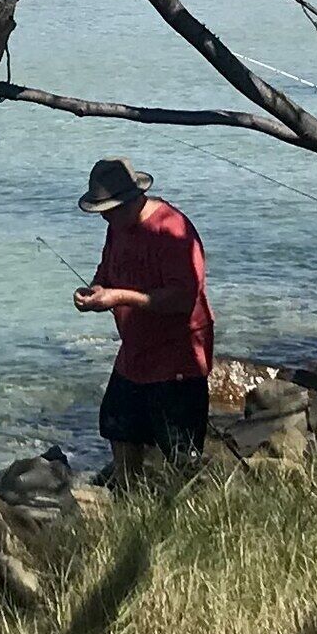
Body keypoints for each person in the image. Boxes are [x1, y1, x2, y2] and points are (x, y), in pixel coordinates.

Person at [72, 158, 213, 478]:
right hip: (134, 355)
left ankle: (196, 512)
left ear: (132, 199)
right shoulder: (117, 227)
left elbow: (182, 298)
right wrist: (96, 291)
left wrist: (119, 297)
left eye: (109, 209)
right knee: (118, 428)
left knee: (180, 452)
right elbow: (107, 271)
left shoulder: (172, 230)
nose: (105, 217)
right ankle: (130, 501)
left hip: (177, 358)